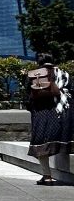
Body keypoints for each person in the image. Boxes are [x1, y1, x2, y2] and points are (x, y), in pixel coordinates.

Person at [25, 54, 73, 185]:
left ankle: (47, 176)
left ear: (39, 62)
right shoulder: (64, 74)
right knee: (65, 141)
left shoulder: (35, 74)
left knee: (41, 145)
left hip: (42, 113)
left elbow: (28, 96)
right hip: (63, 112)